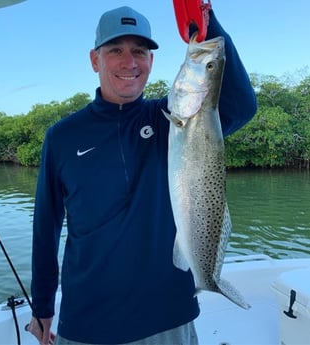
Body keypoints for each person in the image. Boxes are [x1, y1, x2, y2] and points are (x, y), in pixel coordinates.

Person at [27, 5, 257, 345]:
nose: (129, 62)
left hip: (170, 319)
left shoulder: (174, 120)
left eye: (140, 51)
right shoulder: (61, 137)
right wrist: (42, 304)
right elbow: (46, 228)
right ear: (95, 60)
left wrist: (206, 22)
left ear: (151, 61)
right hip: (86, 322)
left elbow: (241, 105)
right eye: (115, 50)